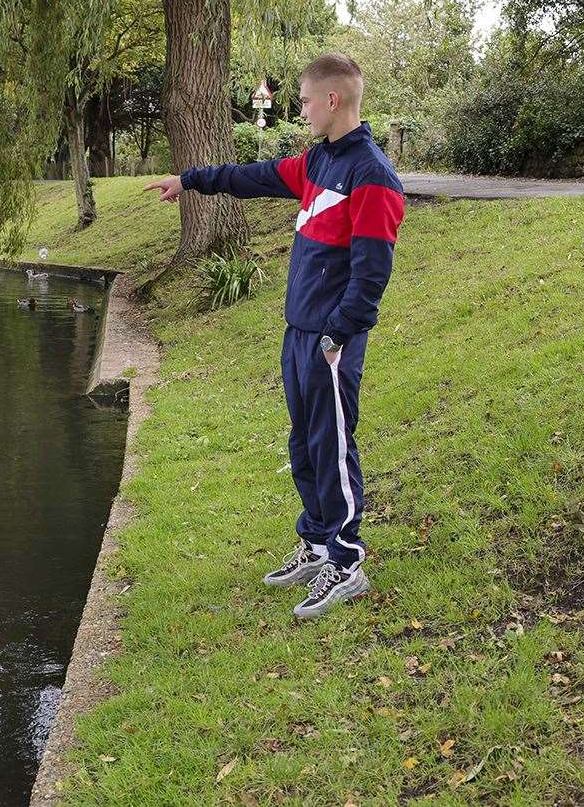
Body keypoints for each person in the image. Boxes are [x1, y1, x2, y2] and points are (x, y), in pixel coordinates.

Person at [144, 53, 405, 618]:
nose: (303, 110)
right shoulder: (315, 163)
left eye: (307, 101)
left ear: (332, 101)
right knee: (304, 443)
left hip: (330, 340)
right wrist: (188, 180)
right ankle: (316, 543)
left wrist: (337, 334)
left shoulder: (373, 174)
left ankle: (346, 560)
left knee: (332, 444)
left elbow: (371, 274)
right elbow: (252, 178)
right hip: (298, 333)